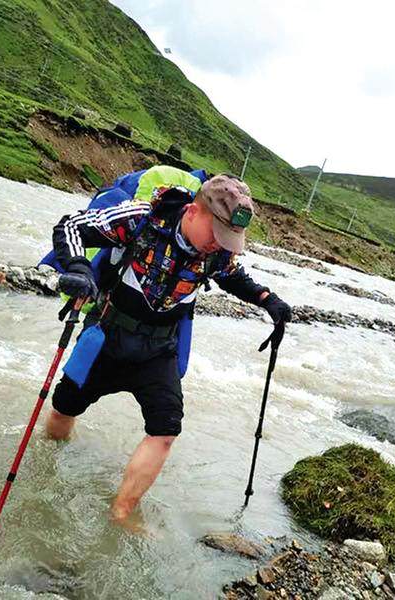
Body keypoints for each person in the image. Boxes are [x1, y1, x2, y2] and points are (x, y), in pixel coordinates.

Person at [44, 165, 292, 524]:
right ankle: (50, 459)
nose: (219, 244)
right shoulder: (141, 219)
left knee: (165, 429)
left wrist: (268, 299)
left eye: (228, 238)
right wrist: (79, 268)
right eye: (217, 232)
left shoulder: (217, 252)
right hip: (107, 339)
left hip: (159, 350)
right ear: (193, 211)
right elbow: (70, 226)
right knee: (64, 409)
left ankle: (122, 511)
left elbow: (232, 276)